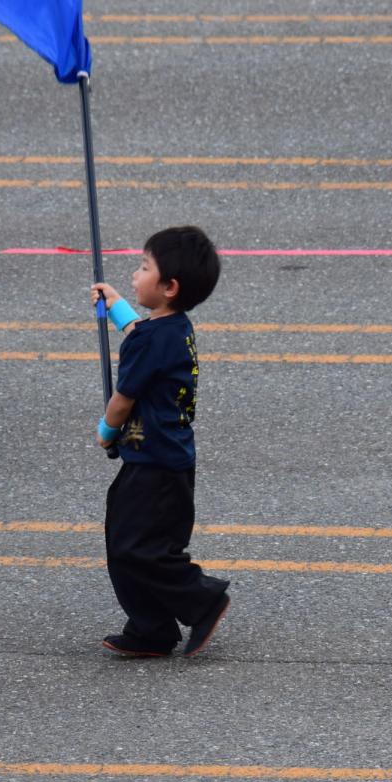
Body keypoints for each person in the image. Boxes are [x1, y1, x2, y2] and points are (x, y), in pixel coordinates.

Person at [90, 226, 230, 658]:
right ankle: (151, 628)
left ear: (169, 287)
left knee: (136, 548)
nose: (134, 274)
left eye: (143, 267)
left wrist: (105, 432)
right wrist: (117, 308)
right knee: (133, 544)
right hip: (167, 459)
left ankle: (201, 598)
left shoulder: (151, 342)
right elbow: (140, 334)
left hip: (152, 464)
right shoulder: (173, 328)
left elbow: (121, 400)